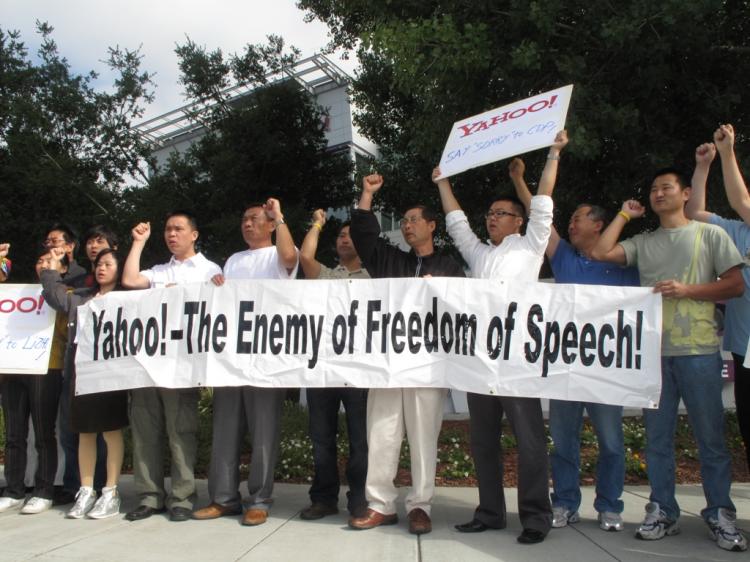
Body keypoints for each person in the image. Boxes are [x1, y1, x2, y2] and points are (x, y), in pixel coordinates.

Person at [591, 167, 747, 552]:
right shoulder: (644, 242)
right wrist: (626, 215)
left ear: (685, 193)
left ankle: (720, 514)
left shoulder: (710, 234)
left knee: (710, 439)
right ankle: (662, 510)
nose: (658, 194)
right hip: (653, 355)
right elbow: (599, 251)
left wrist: (687, 289)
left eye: (666, 188)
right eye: (653, 189)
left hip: (698, 352)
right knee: (658, 441)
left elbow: (736, 284)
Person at [432, 130, 567, 545]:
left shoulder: (530, 246)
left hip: (518, 362)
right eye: (489, 213)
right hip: (480, 361)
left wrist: (553, 154)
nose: (491, 217)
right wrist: (443, 183)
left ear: (518, 221)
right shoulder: (480, 254)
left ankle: (535, 517)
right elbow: (457, 226)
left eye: (501, 213)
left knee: (529, 442)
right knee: (483, 441)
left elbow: (543, 202)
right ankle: (490, 512)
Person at [509, 156, 639, 532]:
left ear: (599, 224)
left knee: (612, 443)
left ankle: (609, 505)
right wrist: (520, 180)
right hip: (566, 368)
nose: (570, 222)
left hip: (605, 369)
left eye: (579, 217)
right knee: (563, 442)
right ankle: (565, 502)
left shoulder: (625, 265)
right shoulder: (564, 256)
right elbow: (540, 217)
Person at [347, 174, 465, 536]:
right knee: (381, 433)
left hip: (427, 368)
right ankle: (380, 504)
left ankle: (420, 505)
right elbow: (364, 236)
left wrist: (442, 291)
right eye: (405, 221)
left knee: (423, 436)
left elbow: (464, 311)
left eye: (415, 220)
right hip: (388, 365)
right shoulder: (390, 262)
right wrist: (367, 194)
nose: (408, 226)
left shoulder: (449, 267)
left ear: (432, 225)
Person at [192, 199, 298, 527]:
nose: (247, 224)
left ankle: (260, 499)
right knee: (225, 427)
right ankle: (223, 498)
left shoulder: (280, 253)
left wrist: (280, 215)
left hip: (266, 354)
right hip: (231, 356)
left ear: (270, 224)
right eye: (244, 219)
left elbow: (291, 258)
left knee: (264, 429)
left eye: (254, 219)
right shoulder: (234, 260)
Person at [122, 211, 222, 522]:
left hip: (182, 365)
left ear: (194, 234)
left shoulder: (210, 270)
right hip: (148, 364)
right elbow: (129, 280)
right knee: (145, 431)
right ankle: (150, 497)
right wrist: (138, 242)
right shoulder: (159, 271)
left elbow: (215, 311)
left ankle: (182, 497)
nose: (171, 234)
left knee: (181, 432)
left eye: (178, 229)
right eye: (167, 229)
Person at [41, 247, 128, 519]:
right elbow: (55, 296)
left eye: (109, 264)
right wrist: (52, 267)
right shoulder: (81, 298)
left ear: (119, 269)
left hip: (112, 375)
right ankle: (86, 489)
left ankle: (110, 492)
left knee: (111, 432)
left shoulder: (128, 300)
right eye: (99, 264)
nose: (101, 268)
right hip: (81, 375)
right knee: (85, 433)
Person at [686, 124, 750, 474]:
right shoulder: (736, 231)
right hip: (744, 350)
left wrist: (728, 153)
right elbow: (695, 213)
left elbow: (741, 200)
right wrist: (704, 167)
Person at [297, 210, 369, 520]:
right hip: (323, 367)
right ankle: (324, 498)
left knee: (360, 439)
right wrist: (317, 223)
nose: (343, 239)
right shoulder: (327, 274)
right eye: (340, 235)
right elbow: (304, 256)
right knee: (321, 437)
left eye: (350, 235)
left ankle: (359, 499)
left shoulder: (376, 276)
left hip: (360, 369)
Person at [0, 250, 64, 515]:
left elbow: (65, 328)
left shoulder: (63, 293)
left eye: (49, 262)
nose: (43, 265)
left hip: (45, 368)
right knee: (14, 433)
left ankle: (44, 490)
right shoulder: (19, 293)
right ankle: (13, 489)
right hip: (12, 367)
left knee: (43, 433)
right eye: (40, 260)